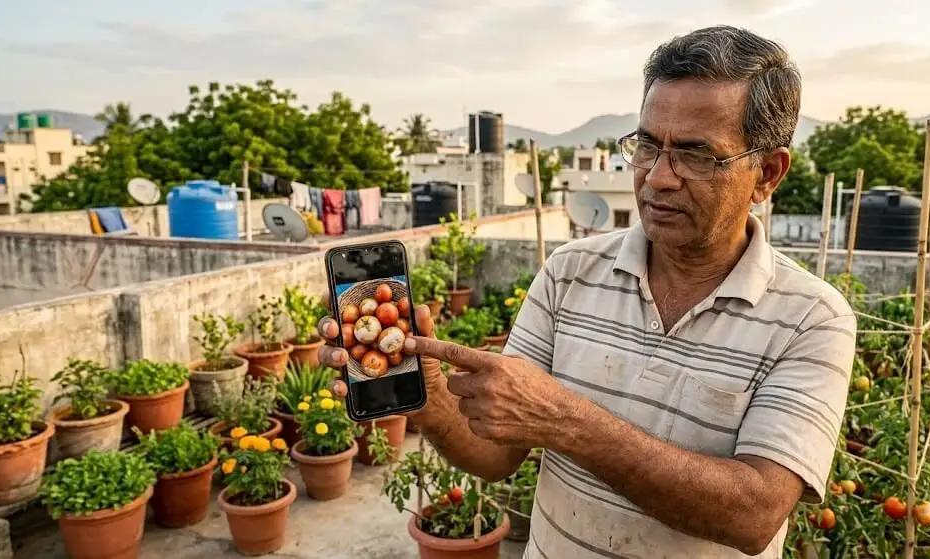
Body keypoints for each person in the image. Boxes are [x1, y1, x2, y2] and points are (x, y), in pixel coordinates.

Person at [319, 25, 856, 558]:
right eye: (647, 146)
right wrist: (428, 394)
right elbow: (497, 457)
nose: (657, 178)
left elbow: (754, 516)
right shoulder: (568, 272)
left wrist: (565, 419)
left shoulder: (813, 319)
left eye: (695, 155)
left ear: (767, 173)